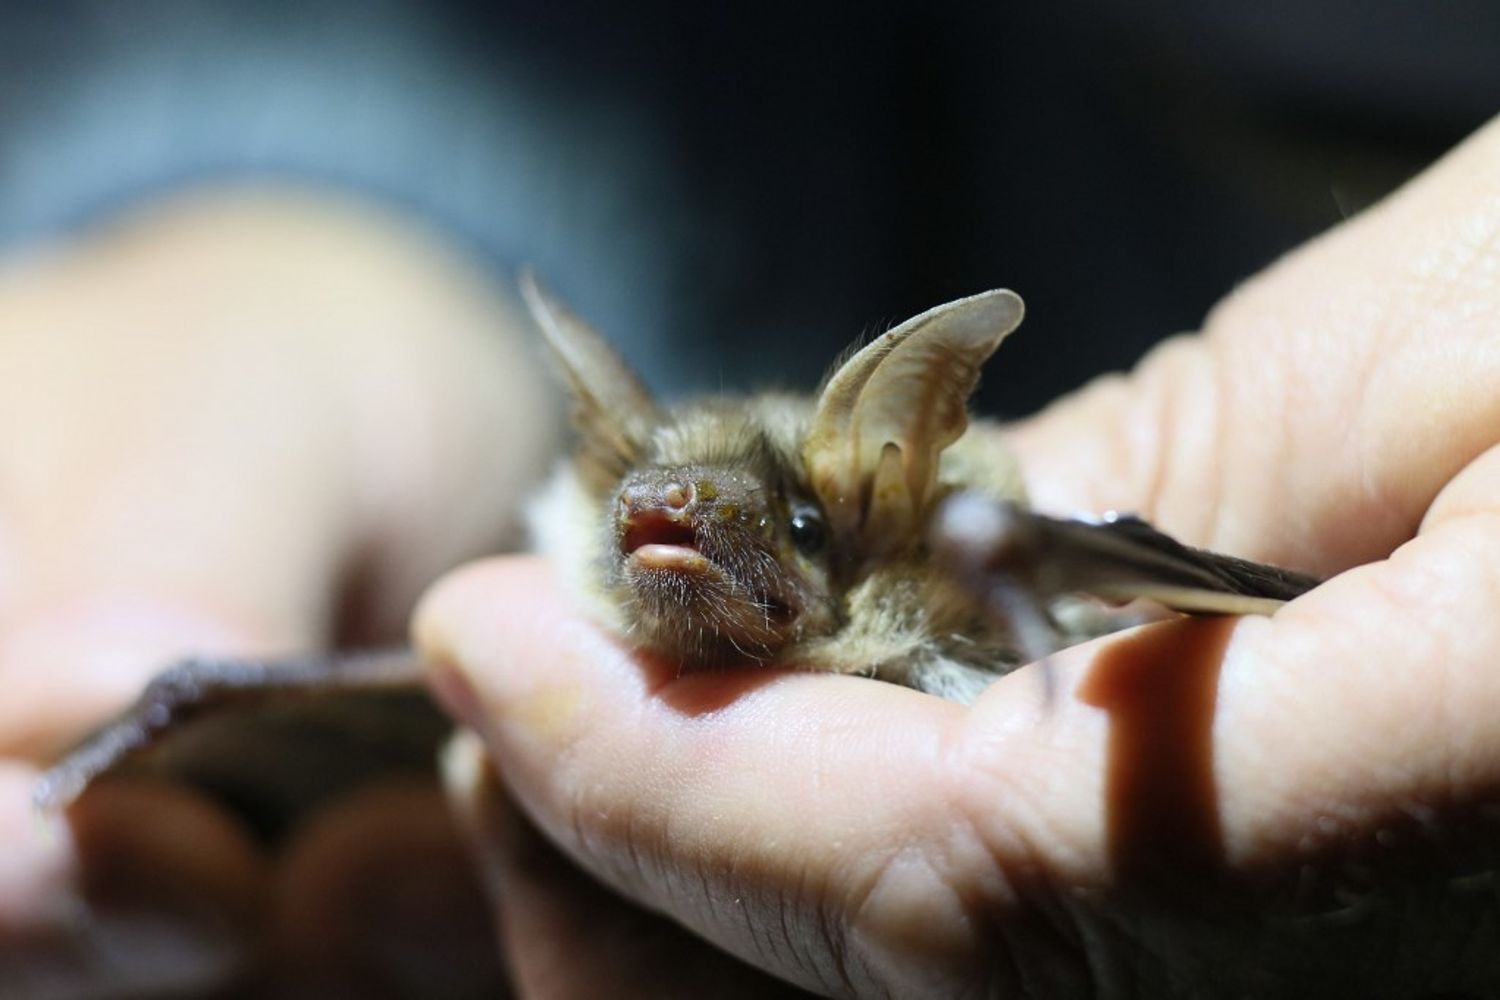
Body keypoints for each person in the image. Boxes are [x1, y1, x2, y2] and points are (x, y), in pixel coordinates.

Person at [3, 108, 1499, 995]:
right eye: (643, 508)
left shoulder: (971, 561)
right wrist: (313, 237)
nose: (680, 535)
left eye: (777, 528)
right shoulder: (558, 597)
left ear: (876, 503)